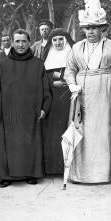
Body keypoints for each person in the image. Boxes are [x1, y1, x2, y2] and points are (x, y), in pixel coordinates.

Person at [64, 0, 111, 184]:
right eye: (87, 28)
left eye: (95, 27)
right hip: (83, 93)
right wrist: (72, 84)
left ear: (102, 28)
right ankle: (82, 173)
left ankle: (104, 173)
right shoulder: (76, 48)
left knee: (104, 130)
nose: (91, 31)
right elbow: (70, 70)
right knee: (83, 128)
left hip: (105, 93)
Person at [0, 29, 52, 188]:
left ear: (29, 42)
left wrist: (44, 107)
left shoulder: (38, 64)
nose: (21, 45)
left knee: (29, 141)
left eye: (24, 41)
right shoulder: (4, 63)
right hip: (9, 112)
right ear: (12, 43)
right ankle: (6, 176)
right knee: (8, 143)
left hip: (31, 112)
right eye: (17, 41)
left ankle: (30, 173)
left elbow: (46, 89)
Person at [41, 28, 74, 174]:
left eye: (61, 39)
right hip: (53, 98)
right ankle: (52, 167)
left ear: (66, 40)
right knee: (52, 131)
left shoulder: (73, 54)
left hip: (69, 98)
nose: (58, 43)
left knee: (68, 129)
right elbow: (41, 77)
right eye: (54, 40)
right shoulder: (47, 56)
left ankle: (68, 168)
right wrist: (52, 83)